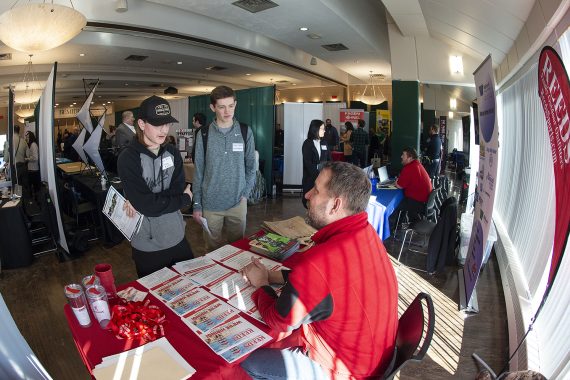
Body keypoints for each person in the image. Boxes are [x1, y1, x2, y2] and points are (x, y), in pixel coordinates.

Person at [240, 161, 399, 380]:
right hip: (375, 357)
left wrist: (261, 284)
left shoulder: (319, 262)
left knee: (245, 361)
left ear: (335, 205)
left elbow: (278, 320)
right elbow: (332, 284)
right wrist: (273, 275)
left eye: (316, 190)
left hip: (344, 370)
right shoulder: (367, 233)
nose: (307, 195)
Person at [117, 95, 194, 278]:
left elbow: (174, 189)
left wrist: (149, 201)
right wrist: (183, 199)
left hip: (177, 236)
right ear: (142, 124)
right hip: (147, 245)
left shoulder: (173, 153)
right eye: (157, 124)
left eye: (167, 124)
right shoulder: (128, 158)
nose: (164, 129)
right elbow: (147, 205)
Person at [192, 86, 256, 251]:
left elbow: (251, 167)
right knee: (212, 251)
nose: (227, 111)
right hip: (211, 205)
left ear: (235, 104)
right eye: (221, 107)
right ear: (213, 107)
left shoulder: (244, 131)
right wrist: (197, 205)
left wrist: (245, 195)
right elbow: (198, 172)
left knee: (238, 249)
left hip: (238, 203)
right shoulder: (203, 134)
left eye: (231, 105)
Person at [389, 147, 433, 230]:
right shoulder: (417, 164)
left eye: (403, 155)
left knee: (395, 204)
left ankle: (390, 229)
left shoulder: (409, 168)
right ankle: (398, 225)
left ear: (410, 158)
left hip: (419, 203)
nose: (401, 157)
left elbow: (399, 185)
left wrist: (396, 181)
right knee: (402, 201)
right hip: (425, 202)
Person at [301, 119, 328, 209]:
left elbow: (329, 159)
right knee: (310, 204)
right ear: (315, 129)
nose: (324, 131)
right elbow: (307, 163)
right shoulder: (307, 143)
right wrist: (318, 171)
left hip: (323, 179)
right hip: (311, 179)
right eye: (322, 129)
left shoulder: (324, 142)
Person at [24, 131, 40, 200]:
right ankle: (35, 201)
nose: (27, 138)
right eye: (26, 137)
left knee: (35, 187)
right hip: (32, 169)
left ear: (31, 137)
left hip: (34, 170)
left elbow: (35, 158)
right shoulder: (31, 144)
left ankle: (37, 201)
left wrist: (27, 159)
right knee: (33, 187)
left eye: (28, 137)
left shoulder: (33, 145)